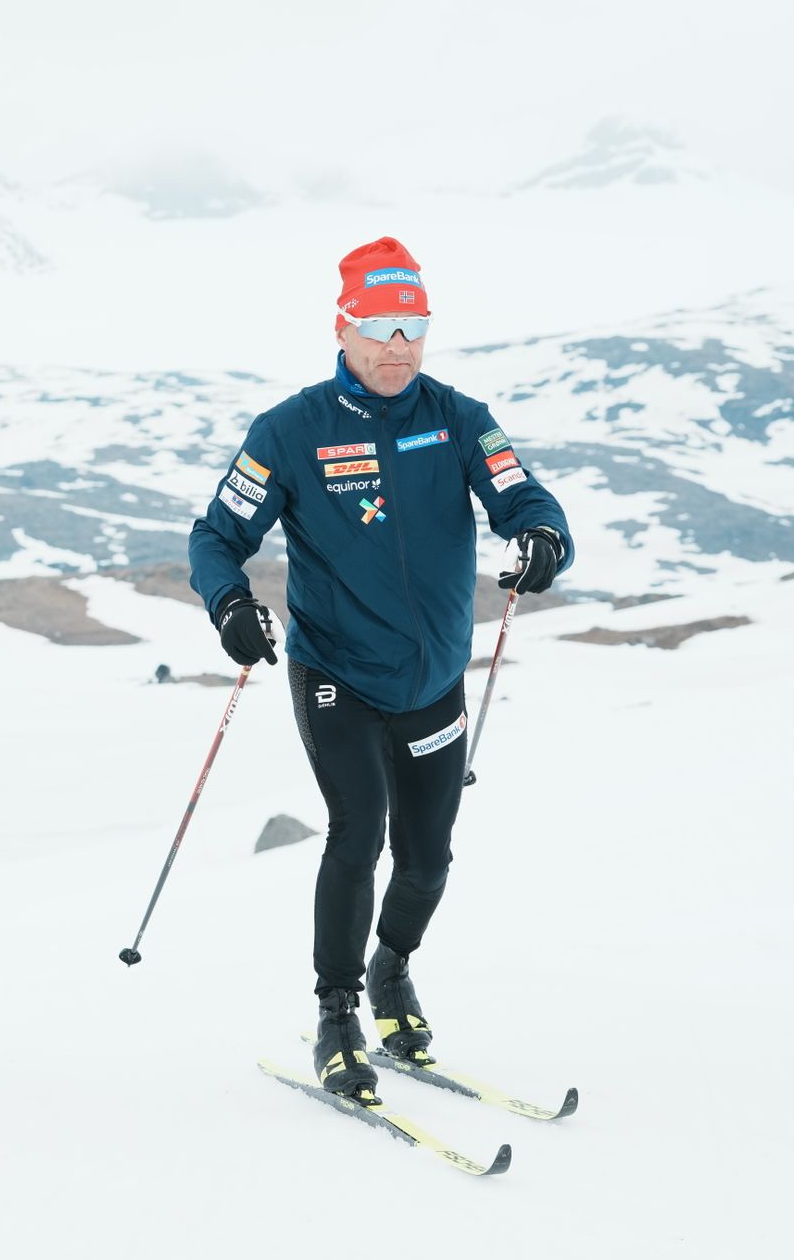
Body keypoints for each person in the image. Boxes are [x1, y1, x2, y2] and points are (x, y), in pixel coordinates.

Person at [187, 237, 572, 1104]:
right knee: (358, 831)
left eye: (415, 326)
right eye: (380, 325)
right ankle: (337, 1014)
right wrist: (230, 605)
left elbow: (527, 499)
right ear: (344, 325)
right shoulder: (292, 429)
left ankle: (392, 969)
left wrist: (544, 539)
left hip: (433, 675)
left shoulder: (460, 417)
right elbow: (217, 535)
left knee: (428, 857)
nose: (398, 345)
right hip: (337, 672)